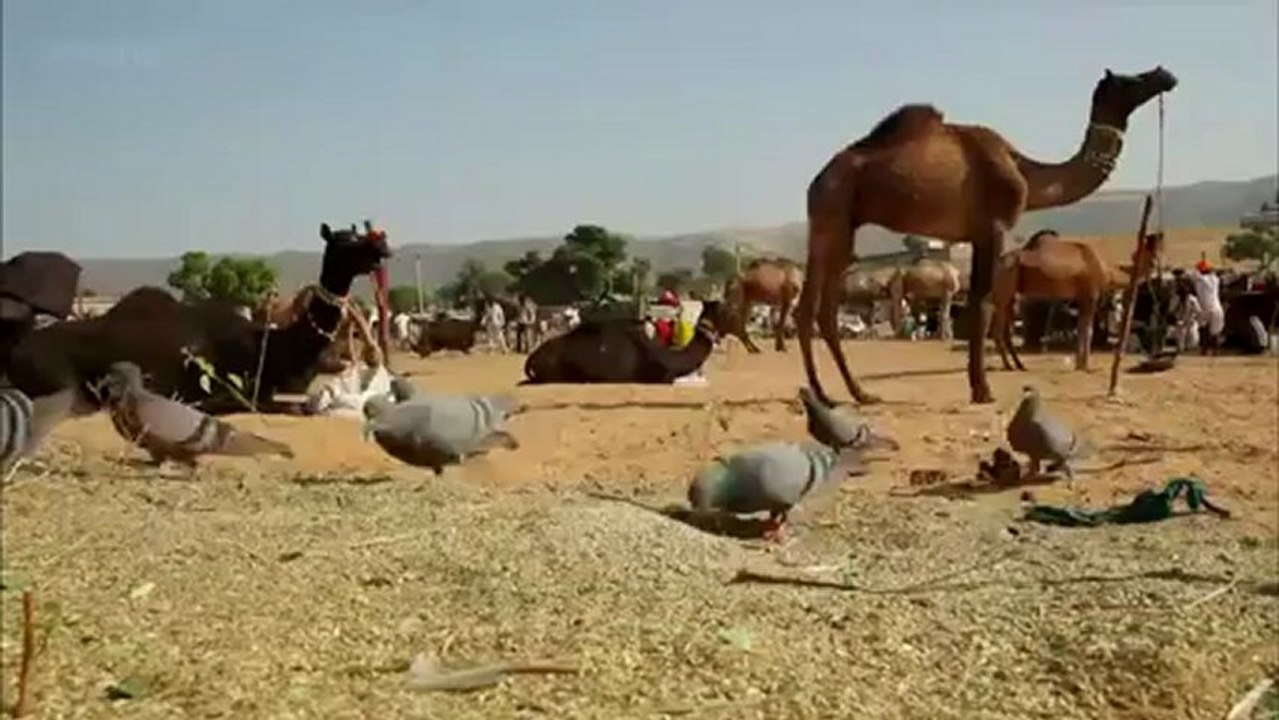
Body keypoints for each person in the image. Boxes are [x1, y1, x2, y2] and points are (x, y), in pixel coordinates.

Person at [1190, 260, 1224, 356]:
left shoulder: (1199, 280)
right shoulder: (1215, 279)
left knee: (1204, 330)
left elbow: (1194, 275)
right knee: (1215, 332)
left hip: (1205, 308)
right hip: (1216, 307)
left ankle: (1204, 351)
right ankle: (1215, 351)